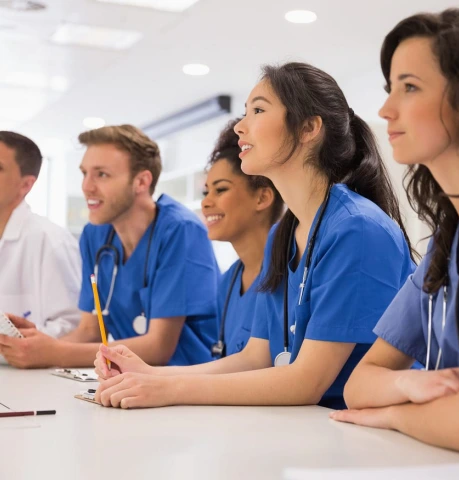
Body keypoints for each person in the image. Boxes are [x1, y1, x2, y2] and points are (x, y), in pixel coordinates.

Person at [92, 62, 415, 410]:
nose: (241, 127)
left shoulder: (358, 229)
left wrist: (168, 391)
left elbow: (306, 382)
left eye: (258, 110)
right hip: (307, 430)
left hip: (365, 441)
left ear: (308, 128)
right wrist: (151, 375)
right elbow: (255, 357)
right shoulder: (284, 233)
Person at [331, 10, 459, 456]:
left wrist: (393, 412)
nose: (385, 109)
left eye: (409, 87)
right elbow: (359, 384)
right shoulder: (446, 241)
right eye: (389, 88)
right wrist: (410, 383)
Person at [0, 125, 219, 368]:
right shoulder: (95, 235)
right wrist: (33, 345)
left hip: (190, 387)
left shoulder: (180, 230)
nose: (87, 186)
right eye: (84, 173)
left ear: (141, 181)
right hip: (134, 384)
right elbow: (88, 330)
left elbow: (158, 348)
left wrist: (54, 353)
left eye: (101, 174)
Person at [203, 118, 284, 359]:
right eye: (205, 192)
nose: (206, 202)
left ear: (262, 198)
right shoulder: (228, 282)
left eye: (221, 190)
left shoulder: (287, 275)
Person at [0, 131, 81, 364]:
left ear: (26, 184)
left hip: (34, 378)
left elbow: (73, 327)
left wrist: (20, 340)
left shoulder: (51, 240)